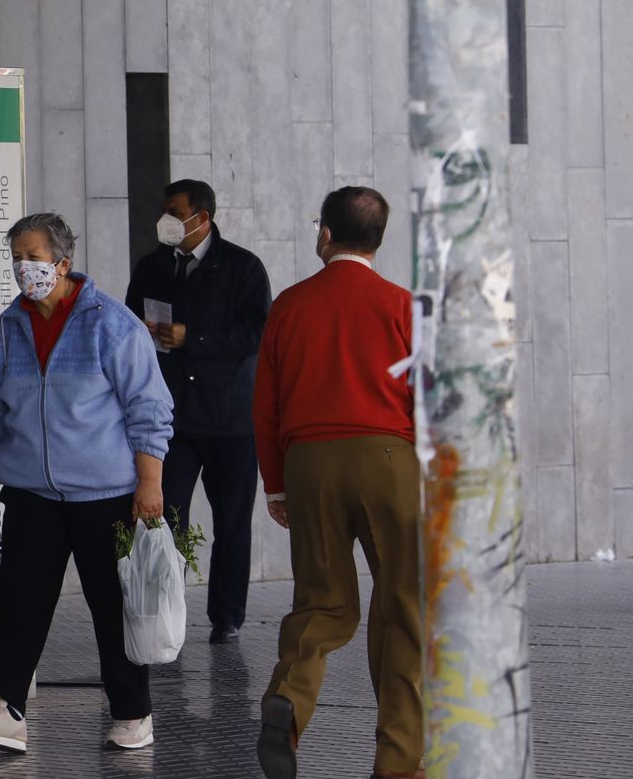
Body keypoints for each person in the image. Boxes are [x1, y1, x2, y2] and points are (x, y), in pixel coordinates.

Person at [0, 212, 174, 755]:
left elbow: (150, 407)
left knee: (113, 608)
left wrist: (149, 482)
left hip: (105, 495)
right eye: (17, 257)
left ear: (63, 262)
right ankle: (6, 708)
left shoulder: (110, 323)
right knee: (21, 604)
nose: (24, 267)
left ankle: (133, 712)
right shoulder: (9, 329)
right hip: (31, 494)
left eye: (34, 257)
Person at [252, 187, 422, 779]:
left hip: (310, 463)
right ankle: (400, 761)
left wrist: (276, 483)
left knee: (321, 602)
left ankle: (289, 701)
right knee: (402, 608)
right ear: (377, 240)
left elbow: (266, 403)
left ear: (325, 233)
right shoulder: (403, 306)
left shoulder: (291, 306)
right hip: (389, 460)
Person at [126, 179, 270, 644]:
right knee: (163, 515)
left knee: (232, 520)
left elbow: (256, 334)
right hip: (171, 418)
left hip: (230, 417)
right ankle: (164, 609)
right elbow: (127, 327)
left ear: (202, 218)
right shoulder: (152, 266)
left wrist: (195, 338)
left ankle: (227, 615)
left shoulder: (244, 267)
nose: (165, 220)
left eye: (175, 211)